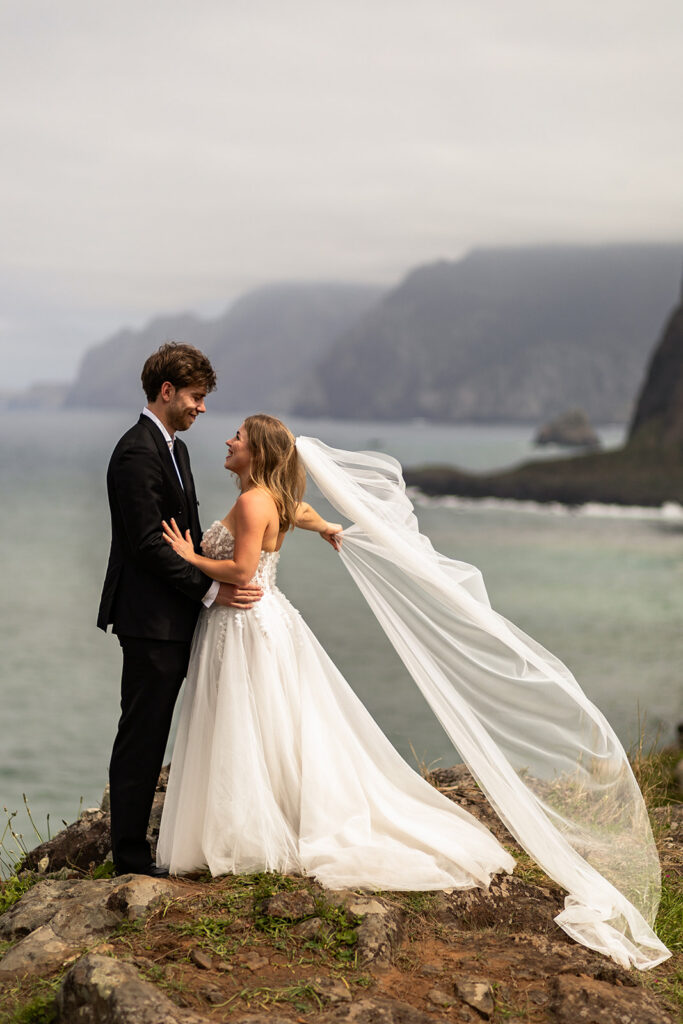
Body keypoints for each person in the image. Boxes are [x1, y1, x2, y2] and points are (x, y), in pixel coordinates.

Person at [157, 414, 670, 971]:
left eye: (238, 436)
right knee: (271, 725)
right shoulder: (274, 498)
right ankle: (268, 810)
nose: (229, 440)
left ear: (256, 451)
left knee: (248, 724)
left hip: (246, 623)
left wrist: (189, 559)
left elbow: (242, 568)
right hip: (264, 625)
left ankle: (254, 825)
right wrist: (327, 526)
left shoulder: (257, 502)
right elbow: (298, 512)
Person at [98, 343, 264, 876]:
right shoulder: (135, 453)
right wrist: (211, 591)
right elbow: (148, 544)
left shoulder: (176, 449)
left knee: (161, 727)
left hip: (175, 615)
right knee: (143, 733)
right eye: (195, 396)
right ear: (166, 392)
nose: (202, 408)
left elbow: (185, 537)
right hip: (149, 620)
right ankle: (128, 856)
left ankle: (160, 839)